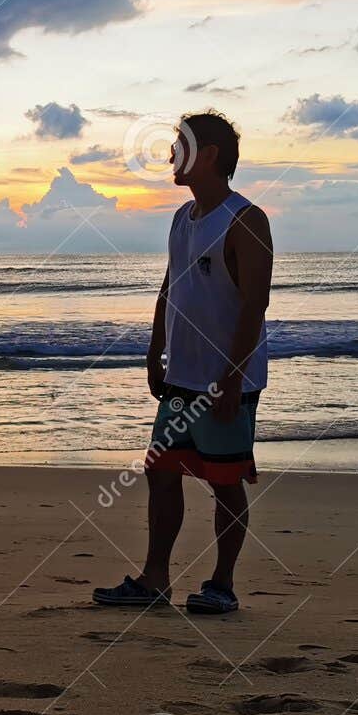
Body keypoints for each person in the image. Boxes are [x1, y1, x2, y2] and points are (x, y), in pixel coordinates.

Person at [94, 112, 272, 614]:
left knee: (224, 480)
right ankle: (155, 580)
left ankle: (222, 584)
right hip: (182, 377)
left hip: (226, 380)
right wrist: (155, 351)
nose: (171, 154)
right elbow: (171, 288)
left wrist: (232, 379)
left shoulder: (246, 220)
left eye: (180, 144)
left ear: (209, 154)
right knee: (161, 472)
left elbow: (255, 306)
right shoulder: (181, 218)